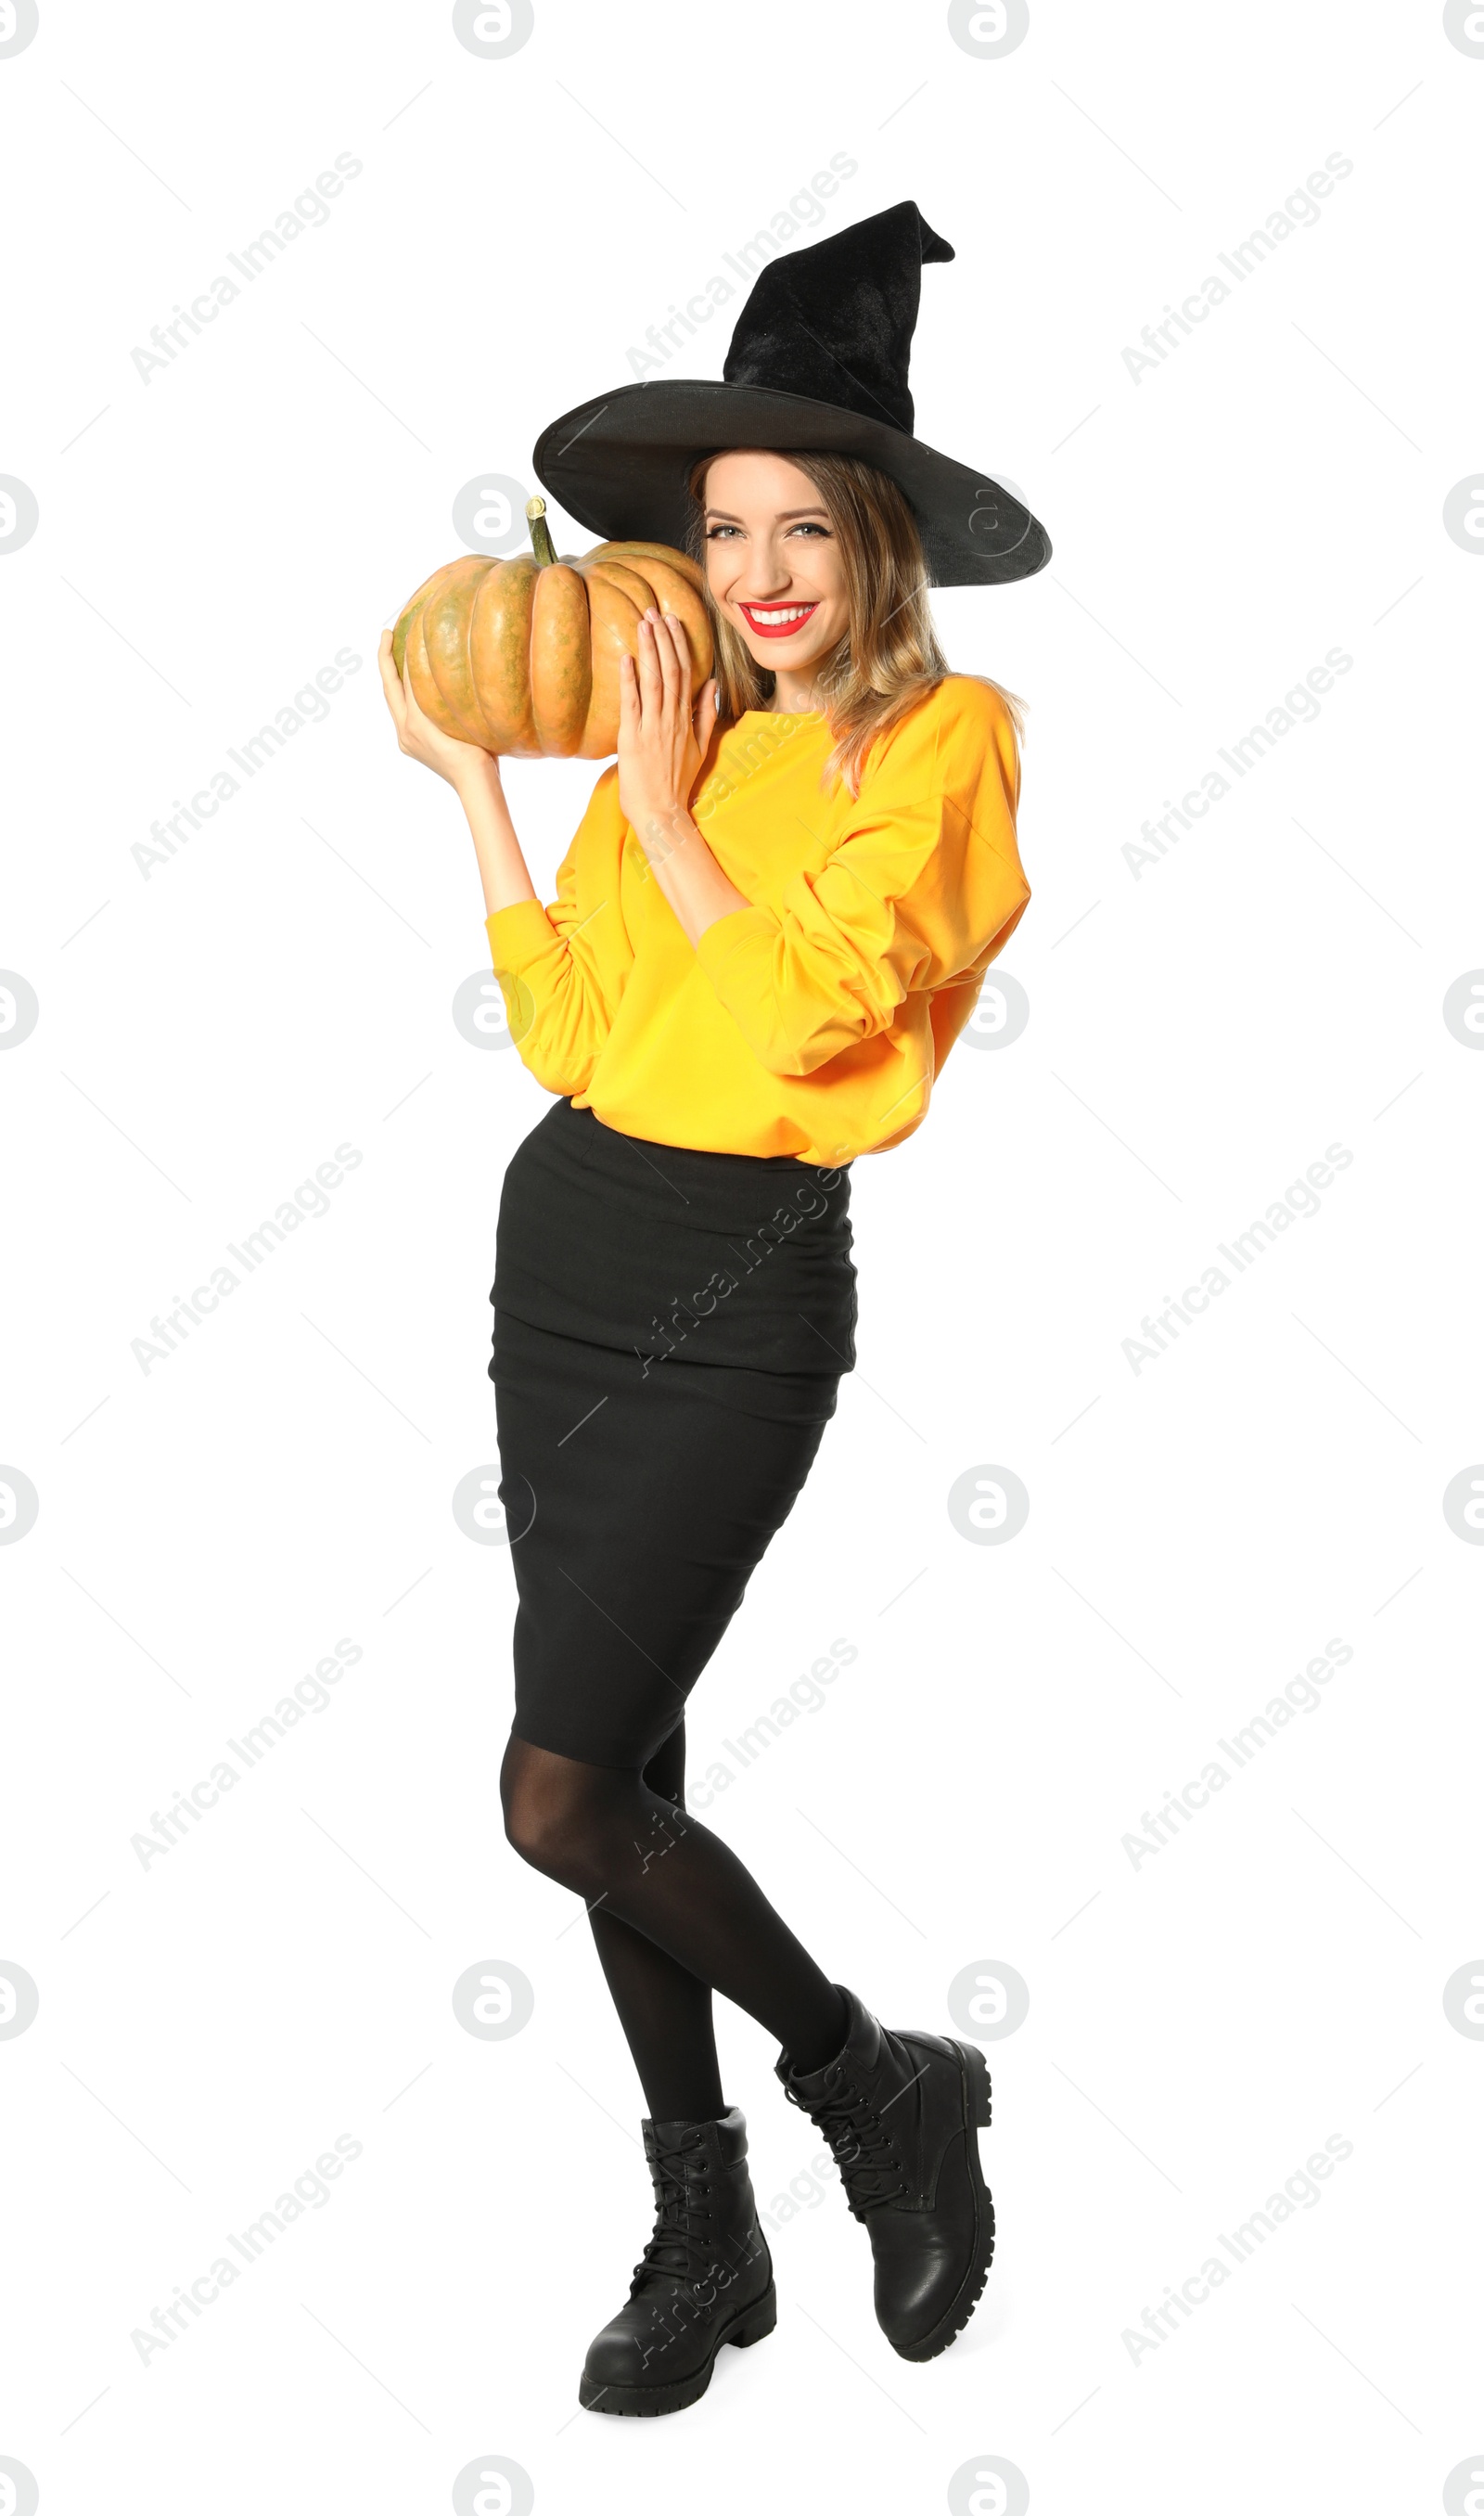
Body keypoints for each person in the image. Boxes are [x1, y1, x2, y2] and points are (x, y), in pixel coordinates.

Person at [378, 202, 1049, 2419]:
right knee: (624, 1765)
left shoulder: (936, 748)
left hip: (736, 1287)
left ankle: (874, 2090)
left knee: (552, 1796)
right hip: (559, 1250)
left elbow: (796, 1025)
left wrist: (658, 800)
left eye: (800, 527)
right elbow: (581, 1039)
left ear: (875, 547)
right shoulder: (679, 737)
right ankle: (704, 2222)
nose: (754, 570)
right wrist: (493, 794)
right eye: (721, 526)